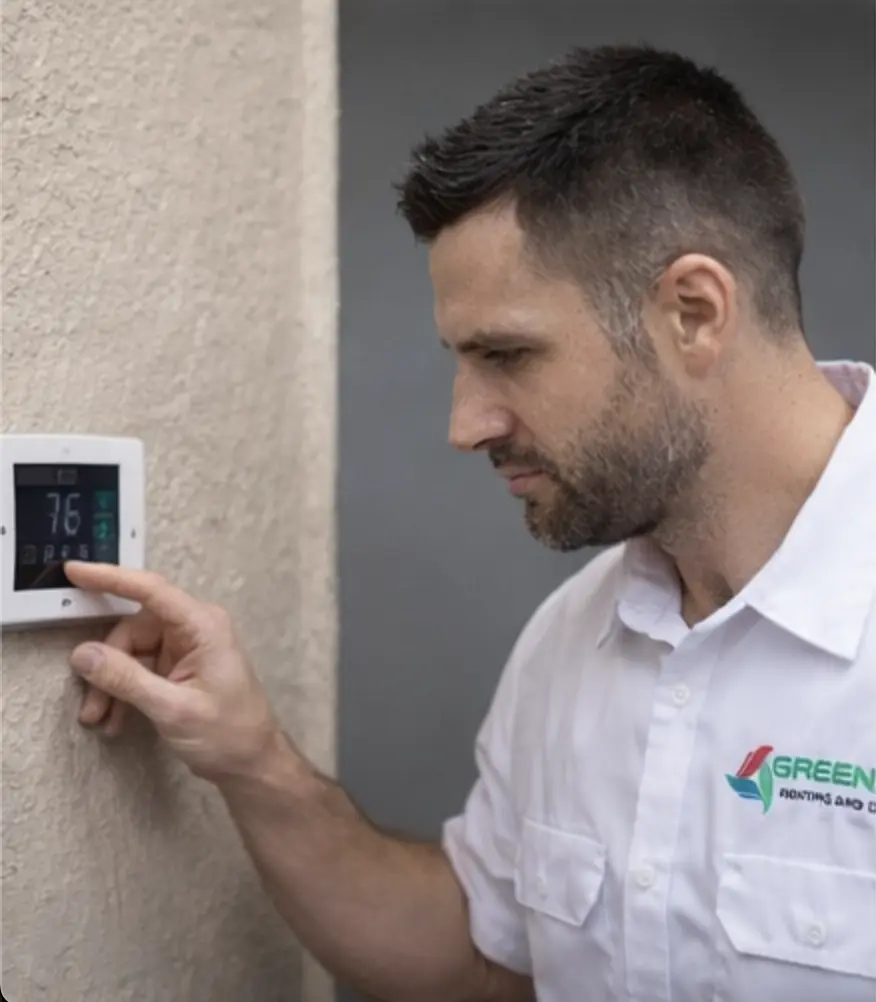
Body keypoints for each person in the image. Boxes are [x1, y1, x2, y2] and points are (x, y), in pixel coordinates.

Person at [66, 44, 875, 1002]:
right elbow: (481, 961)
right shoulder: (574, 642)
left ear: (693, 312)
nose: (465, 425)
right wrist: (252, 761)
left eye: (508, 353)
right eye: (462, 358)